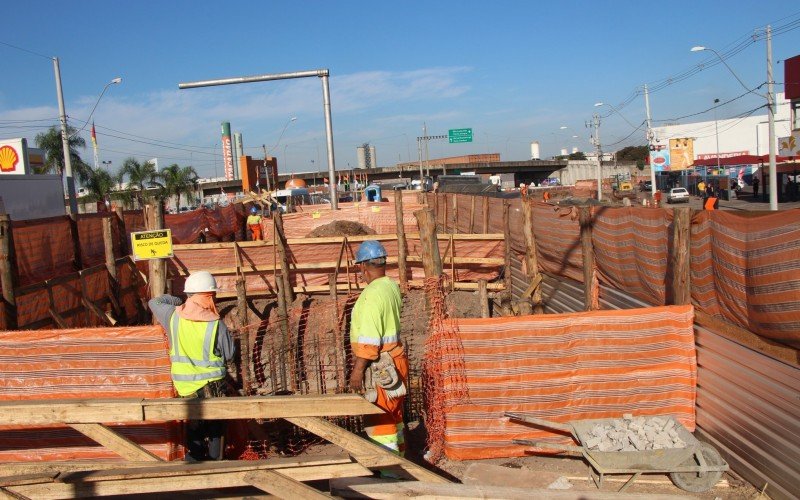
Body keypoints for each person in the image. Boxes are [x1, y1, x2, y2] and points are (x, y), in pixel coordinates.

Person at [149, 271, 235, 461]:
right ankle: (215, 464)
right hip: (213, 385)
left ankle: (194, 460)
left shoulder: (172, 316)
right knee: (215, 426)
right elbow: (229, 354)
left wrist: (180, 301)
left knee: (194, 424)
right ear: (209, 296)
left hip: (185, 387)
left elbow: (154, 302)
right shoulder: (215, 324)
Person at [348, 241, 408, 458]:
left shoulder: (372, 294)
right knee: (394, 415)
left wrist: (357, 371)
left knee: (380, 417)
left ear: (363, 266)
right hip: (395, 360)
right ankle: (401, 460)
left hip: (382, 366)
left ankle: (388, 469)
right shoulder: (390, 286)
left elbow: (370, 340)